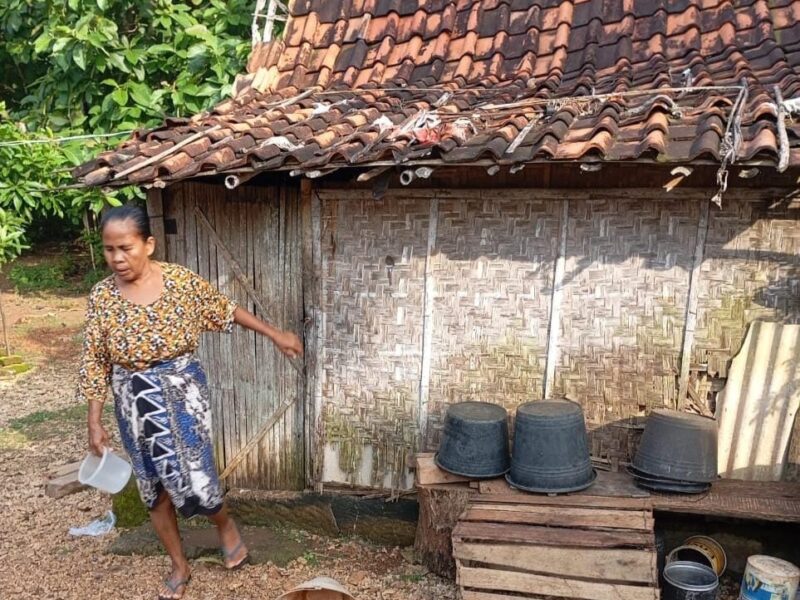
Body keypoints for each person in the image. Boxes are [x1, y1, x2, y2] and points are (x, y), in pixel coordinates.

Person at [77, 205, 303, 600]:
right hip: (131, 401)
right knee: (153, 486)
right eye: (109, 249)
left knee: (197, 477)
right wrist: (94, 420)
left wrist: (275, 334)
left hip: (182, 392)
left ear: (148, 244)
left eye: (126, 248)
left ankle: (224, 524)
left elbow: (225, 309)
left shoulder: (180, 282)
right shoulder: (102, 297)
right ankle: (179, 565)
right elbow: (95, 359)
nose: (117, 258)